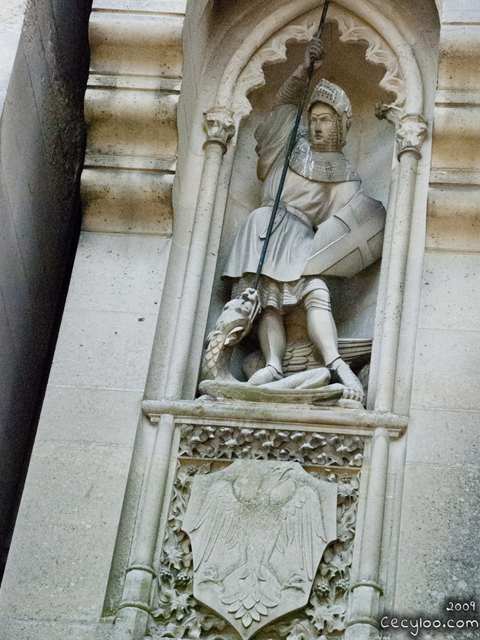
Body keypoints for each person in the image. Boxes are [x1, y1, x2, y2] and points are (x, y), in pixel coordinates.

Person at [222, 39, 367, 401]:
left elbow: (347, 227)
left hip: (304, 235)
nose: (318, 127)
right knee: (268, 299)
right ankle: (272, 362)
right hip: (264, 226)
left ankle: (336, 364)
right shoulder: (292, 144)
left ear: (340, 125)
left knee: (316, 292)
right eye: (314, 119)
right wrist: (304, 70)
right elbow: (282, 106)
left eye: (326, 121)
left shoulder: (347, 178)